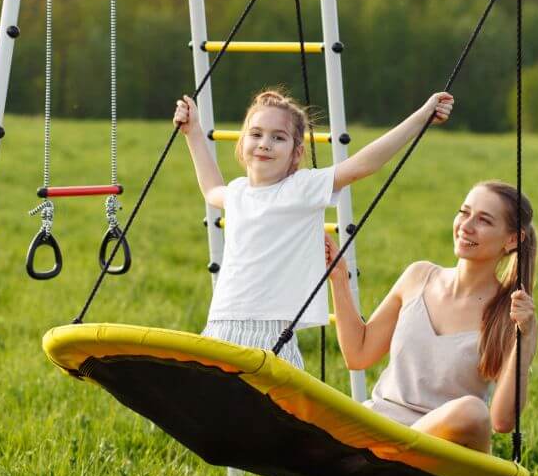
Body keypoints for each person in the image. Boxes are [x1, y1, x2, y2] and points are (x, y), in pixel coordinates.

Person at [173, 87, 454, 368]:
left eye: (278, 137)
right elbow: (211, 189)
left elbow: (361, 166)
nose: (265, 144)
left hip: (269, 336)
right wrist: (193, 131)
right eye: (256, 134)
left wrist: (422, 116)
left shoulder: (300, 188)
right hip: (219, 326)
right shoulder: (237, 192)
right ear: (242, 144)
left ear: (296, 154)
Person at [326, 180, 538, 453]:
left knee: (473, 411)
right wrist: (339, 278)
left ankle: (383, 452)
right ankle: (377, 450)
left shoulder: (512, 315)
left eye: (484, 220)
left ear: (512, 240)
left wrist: (525, 338)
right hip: (377, 425)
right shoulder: (419, 276)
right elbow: (358, 354)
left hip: (437, 452)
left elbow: (501, 421)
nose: (466, 226)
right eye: (464, 212)